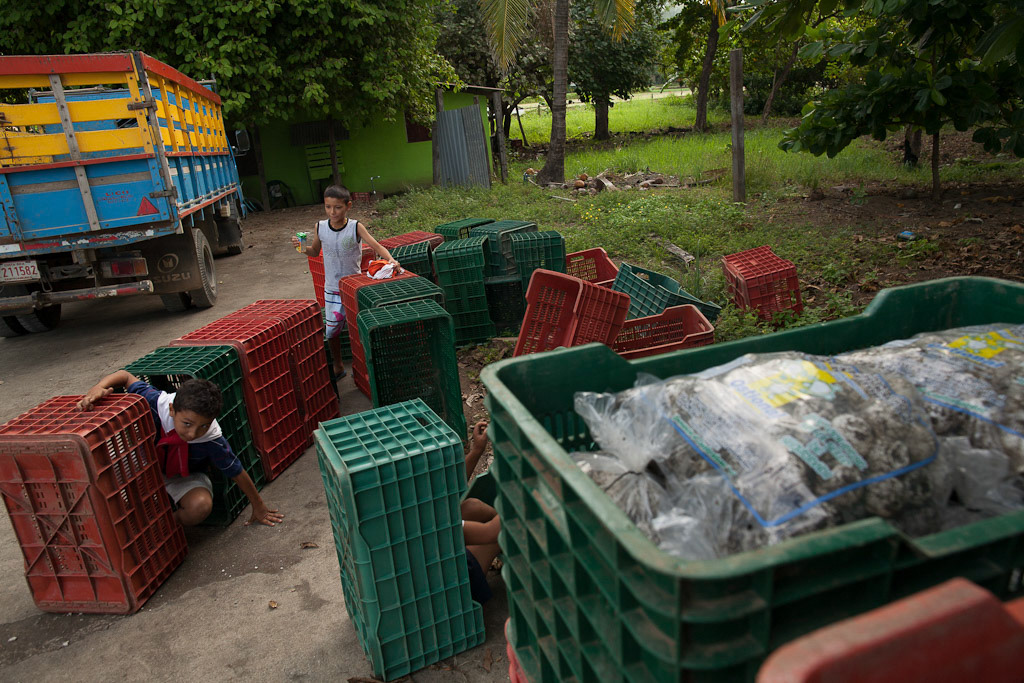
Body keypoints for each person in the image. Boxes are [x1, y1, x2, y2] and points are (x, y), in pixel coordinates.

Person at [77, 371, 283, 528]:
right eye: (187, 424)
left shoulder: (212, 439)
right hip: (143, 464)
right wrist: (98, 387)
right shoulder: (154, 401)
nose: (193, 433)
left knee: (200, 507)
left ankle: (159, 526)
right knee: (105, 497)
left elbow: (236, 471)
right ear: (172, 410)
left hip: (183, 475)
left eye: (203, 426)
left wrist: (259, 506)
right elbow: (124, 376)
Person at [292, 184, 399, 378]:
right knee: (332, 331)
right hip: (332, 289)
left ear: (348, 206)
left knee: (358, 330)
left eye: (338, 207)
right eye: (328, 207)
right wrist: (301, 248)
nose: (332, 212)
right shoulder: (320, 227)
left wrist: (391, 260)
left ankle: (364, 367)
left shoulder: (355, 227)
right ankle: (338, 365)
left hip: (353, 287)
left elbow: (375, 245)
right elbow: (314, 252)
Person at [462, 421, 500, 604]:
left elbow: (449, 487)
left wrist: (477, 449)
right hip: (447, 588)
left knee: (472, 507)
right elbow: (491, 532)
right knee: (500, 536)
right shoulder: (432, 523)